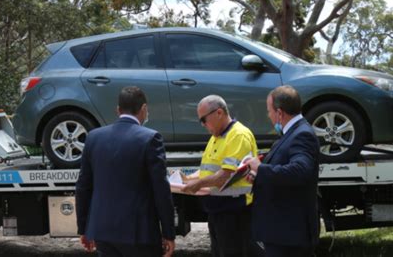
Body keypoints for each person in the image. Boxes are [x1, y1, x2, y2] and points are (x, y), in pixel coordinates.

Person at [75, 86, 175, 257]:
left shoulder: (94, 137)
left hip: (103, 230)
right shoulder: (150, 138)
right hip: (139, 232)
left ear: (118, 110)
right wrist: (168, 233)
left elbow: (83, 187)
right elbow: (161, 190)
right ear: (143, 109)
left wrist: (84, 228)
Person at [244, 85, 320, 257]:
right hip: (282, 232)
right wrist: (257, 175)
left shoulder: (302, 134)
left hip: (289, 235)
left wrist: (261, 169)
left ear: (279, 113)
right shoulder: (291, 133)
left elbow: (300, 171)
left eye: (269, 111)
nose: (268, 115)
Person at [182, 95, 258, 257]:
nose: (203, 124)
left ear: (218, 113)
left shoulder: (238, 135)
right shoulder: (217, 137)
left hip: (235, 212)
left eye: (204, 119)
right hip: (218, 210)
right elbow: (208, 170)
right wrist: (188, 179)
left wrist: (198, 184)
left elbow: (226, 174)